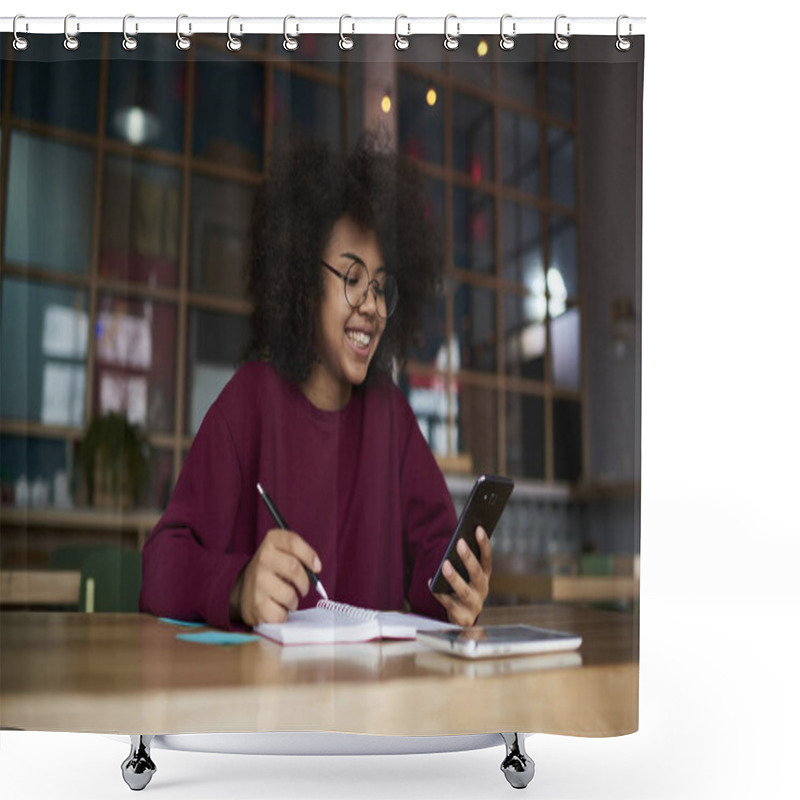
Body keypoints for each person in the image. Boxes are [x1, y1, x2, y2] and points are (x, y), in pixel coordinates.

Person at [139, 137, 492, 631]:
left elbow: (434, 555)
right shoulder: (250, 401)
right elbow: (160, 565)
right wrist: (239, 585)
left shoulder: (390, 416)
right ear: (304, 285)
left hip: (373, 703)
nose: (370, 304)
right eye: (351, 277)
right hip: (266, 701)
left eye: (380, 286)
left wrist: (459, 587)